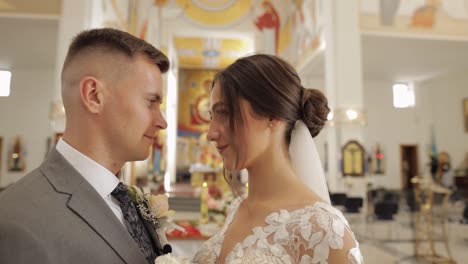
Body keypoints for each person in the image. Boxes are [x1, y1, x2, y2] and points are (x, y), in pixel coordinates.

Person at [0, 28, 169, 264]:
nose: (162, 122)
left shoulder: (126, 201)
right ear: (94, 96)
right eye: (151, 102)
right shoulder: (16, 221)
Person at [193, 54, 363, 263]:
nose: (210, 133)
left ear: (272, 116)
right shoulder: (237, 208)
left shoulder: (323, 230)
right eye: (212, 116)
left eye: (224, 113)